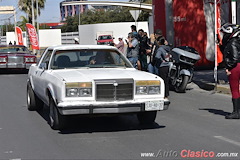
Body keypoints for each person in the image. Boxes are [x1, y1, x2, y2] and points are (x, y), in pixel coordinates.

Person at [220, 23, 240, 119]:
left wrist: (229, 67)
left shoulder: (232, 42)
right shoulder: (236, 41)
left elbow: (234, 57)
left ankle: (236, 112)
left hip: (235, 67)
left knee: (235, 89)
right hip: (237, 66)